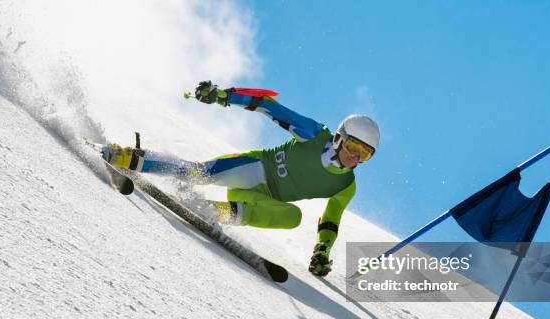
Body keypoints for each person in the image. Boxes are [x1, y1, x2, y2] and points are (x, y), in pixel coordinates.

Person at [101, 81, 380, 277]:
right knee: (199, 173)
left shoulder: (345, 185)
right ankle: (128, 157)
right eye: (354, 148)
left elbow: (331, 219)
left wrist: (322, 250)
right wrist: (224, 95)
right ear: (339, 138)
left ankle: (214, 211)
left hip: (262, 200)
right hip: (256, 168)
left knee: (292, 217)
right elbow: (269, 107)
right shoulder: (314, 134)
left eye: (365, 155)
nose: (355, 158)